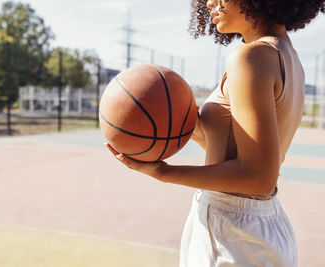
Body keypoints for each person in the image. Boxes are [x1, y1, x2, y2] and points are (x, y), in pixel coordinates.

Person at [106, 0, 325, 266]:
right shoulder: (288, 58)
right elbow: (236, 150)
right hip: (264, 224)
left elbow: (258, 177)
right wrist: (187, 123)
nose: (209, 2)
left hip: (232, 231)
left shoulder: (250, 58)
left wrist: (163, 172)